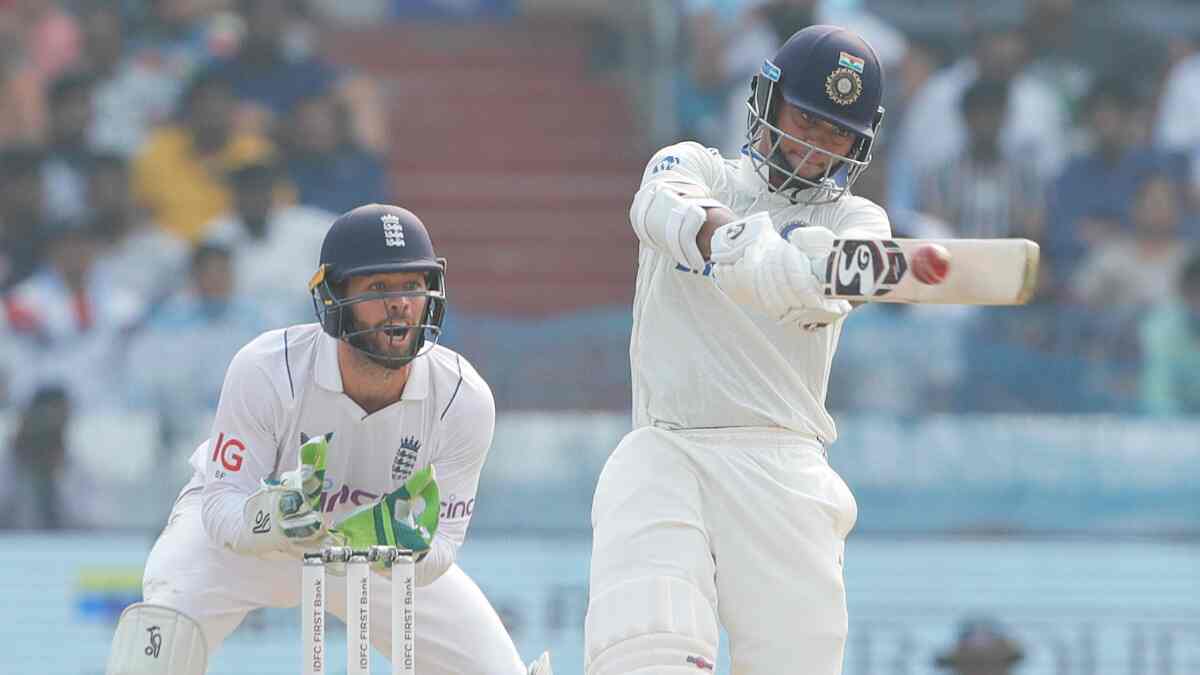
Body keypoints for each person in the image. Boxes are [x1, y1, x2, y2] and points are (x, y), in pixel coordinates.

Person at [105, 204, 551, 675]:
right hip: (252, 543)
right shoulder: (267, 369)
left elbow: (442, 547)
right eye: (378, 288)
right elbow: (219, 508)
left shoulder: (462, 397)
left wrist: (400, 547)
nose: (399, 303)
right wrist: (270, 517)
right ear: (333, 297)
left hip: (370, 552)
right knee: (160, 634)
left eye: (412, 286)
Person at [586, 25, 886, 675]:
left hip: (786, 466)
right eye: (805, 119)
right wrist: (736, 242)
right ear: (769, 104)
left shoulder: (858, 226)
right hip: (672, 446)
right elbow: (660, 206)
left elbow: (833, 290)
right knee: (646, 652)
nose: (813, 148)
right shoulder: (694, 166)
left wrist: (794, 272)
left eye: (836, 134)